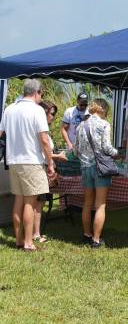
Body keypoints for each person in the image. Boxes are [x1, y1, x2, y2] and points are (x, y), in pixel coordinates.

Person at [0, 79, 54, 252]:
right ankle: (29, 243)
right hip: (31, 161)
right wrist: (50, 163)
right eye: (41, 94)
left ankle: (18, 240)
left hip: (14, 161)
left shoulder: (9, 109)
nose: (41, 97)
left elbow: (1, 133)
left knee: (18, 200)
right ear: (37, 92)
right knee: (30, 203)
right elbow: (44, 140)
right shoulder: (37, 110)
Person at [74, 98, 118, 248]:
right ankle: (96, 240)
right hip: (100, 167)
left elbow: (76, 150)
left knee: (87, 204)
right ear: (103, 109)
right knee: (100, 205)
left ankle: (87, 235)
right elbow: (107, 147)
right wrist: (117, 153)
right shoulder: (104, 124)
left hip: (85, 168)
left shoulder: (80, 125)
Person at [33, 101, 67, 243]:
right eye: (52, 114)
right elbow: (42, 152)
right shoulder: (41, 130)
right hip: (42, 168)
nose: (53, 117)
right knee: (38, 202)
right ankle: (36, 233)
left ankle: (34, 232)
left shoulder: (43, 129)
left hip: (43, 167)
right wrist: (57, 157)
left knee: (38, 201)